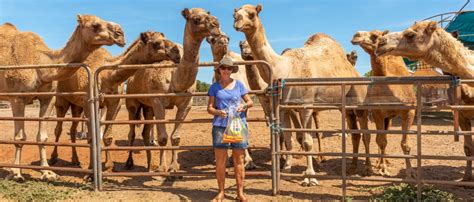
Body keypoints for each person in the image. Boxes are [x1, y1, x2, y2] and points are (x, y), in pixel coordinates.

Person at [207, 55, 253, 202]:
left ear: (232, 70)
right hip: (220, 126)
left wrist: (243, 106)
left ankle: (240, 192)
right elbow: (210, 107)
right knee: (221, 160)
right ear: (219, 70)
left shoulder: (239, 85)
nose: (226, 70)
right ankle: (221, 192)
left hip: (236, 125)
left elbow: (250, 101)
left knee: (239, 159)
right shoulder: (214, 87)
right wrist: (217, 112)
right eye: (223, 68)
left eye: (229, 68)